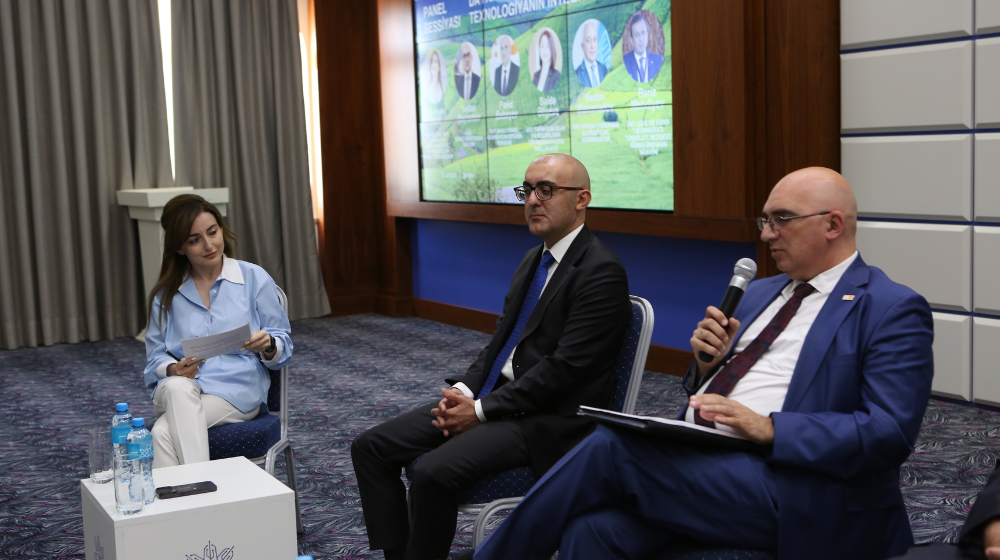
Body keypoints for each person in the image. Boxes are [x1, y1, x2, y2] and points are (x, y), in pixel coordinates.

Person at [466, 167, 935, 560]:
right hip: (705, 459)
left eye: (781, 220)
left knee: (612, 447)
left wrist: (770, 428)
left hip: (797, 486)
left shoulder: (891, 308)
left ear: (832, 225)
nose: (766, 234)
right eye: (764, 220)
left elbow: (887, 434)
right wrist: (706, 364)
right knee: (593, 530)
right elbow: (708, 387)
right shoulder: (760, 293)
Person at [350, 153, 631, 560]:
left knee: (432, 472)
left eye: (546, 190)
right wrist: (465, 391)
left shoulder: (601, 270)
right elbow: (502, 342)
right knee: (371, 447)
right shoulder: (534, 260)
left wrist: (480, 410)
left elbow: (564, 371)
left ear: (581, 199)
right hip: (502, 399)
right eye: (527, 190)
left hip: (550, 419)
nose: (533, 200)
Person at [143, 194, 292, 468]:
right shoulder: (166, 296)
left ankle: (186, 505)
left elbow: (283, 346)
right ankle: (203, 495)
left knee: (162, 434)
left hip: (236, 390)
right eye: (194, 239)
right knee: (177, 386)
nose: (209, 245)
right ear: (179, 248)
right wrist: (174, 369)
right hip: (183, 388)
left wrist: (269, 343)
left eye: (213, 232)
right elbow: (154, 360)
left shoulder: (253, 278)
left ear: (222, 229)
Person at [622, 13, 664, 83]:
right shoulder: (625, 62)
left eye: (643, 33)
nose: (641, 39)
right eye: (637, 35)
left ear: (647, 35)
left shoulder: (659, 61)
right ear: (632, 40)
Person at [574, 22, 607, 88]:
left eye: (594, 40)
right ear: (582, 46)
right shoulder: (578, 74)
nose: (592, 46)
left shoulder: (604, 69)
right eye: (588, 41)